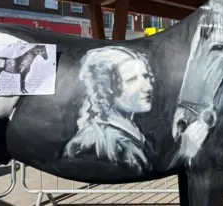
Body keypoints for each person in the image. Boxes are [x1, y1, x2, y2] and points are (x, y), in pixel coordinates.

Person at [63, 46, 155, 174]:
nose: (148, 86)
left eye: (146, 76)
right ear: (106, 89)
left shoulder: (127, 132)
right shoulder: (101, 141)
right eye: (132, 79)